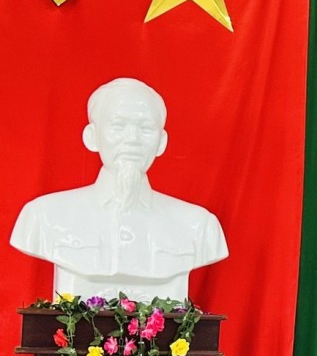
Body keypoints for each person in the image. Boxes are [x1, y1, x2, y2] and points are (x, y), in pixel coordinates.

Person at [10, 77, 227, 300]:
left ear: (161, 142)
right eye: (118, 126)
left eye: (145, 128)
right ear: (92, 137)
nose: (132, 139)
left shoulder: (199, 226)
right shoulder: (43, 216)